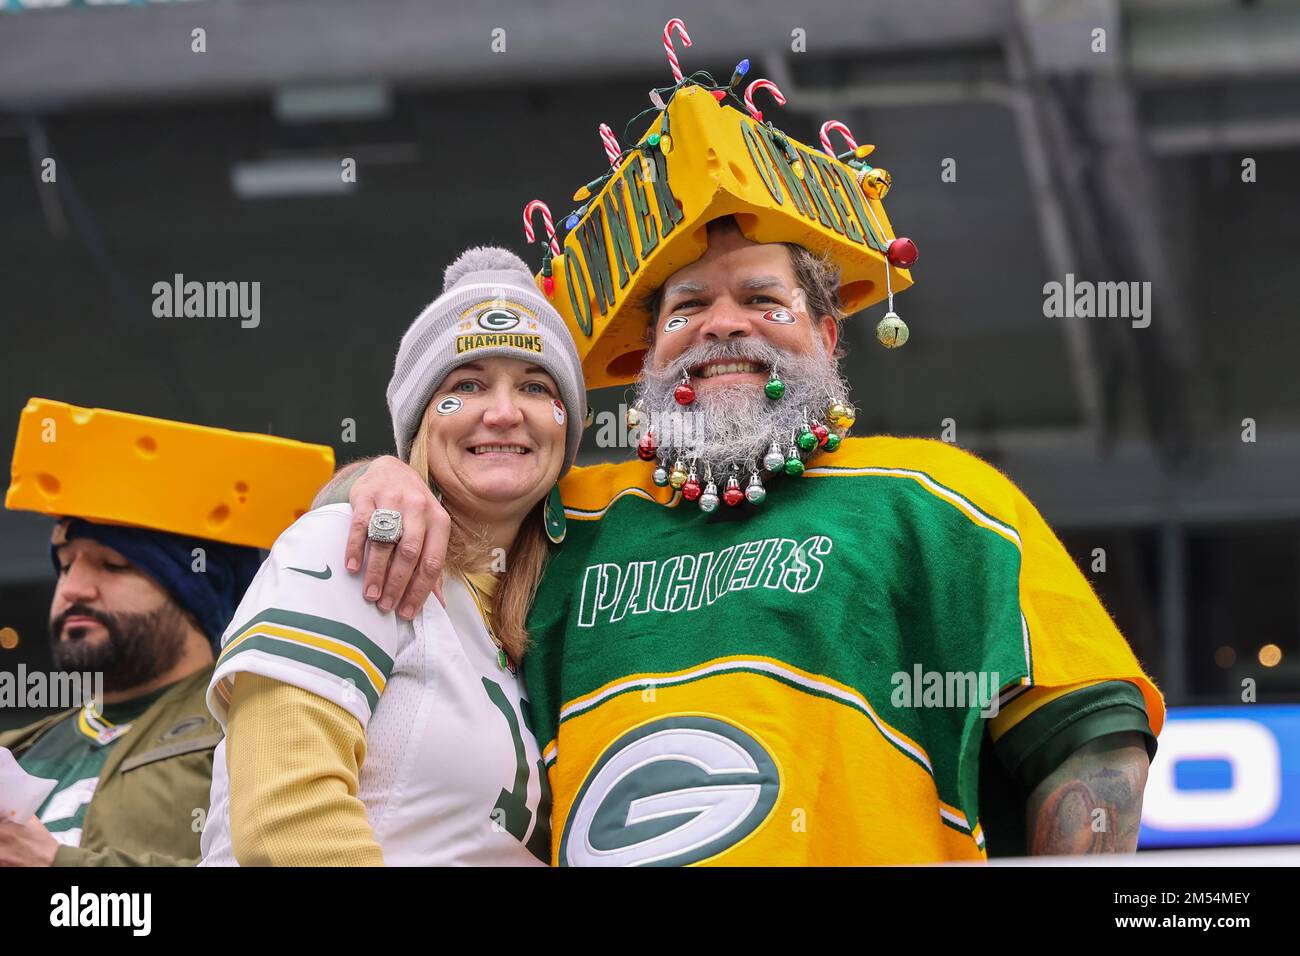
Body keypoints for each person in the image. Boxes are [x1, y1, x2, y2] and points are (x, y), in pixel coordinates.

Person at [314, 37, 1162, 865]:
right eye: (685, 310)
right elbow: (354, 541)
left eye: (764, 298)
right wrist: (379, 476)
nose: (724, 325)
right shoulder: (563, 516)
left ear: (828, 336)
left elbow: (1091, 746)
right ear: (648, 358)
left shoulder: (934, 496)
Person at [200, 247, 585, 866]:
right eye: (467, 384)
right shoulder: (352, 544)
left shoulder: (540, 617)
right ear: (419, 420)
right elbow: (286, 826)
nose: (505, 412)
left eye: (536, 387)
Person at [0, 518, 260, 867]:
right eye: (64, 566)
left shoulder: (254, 723)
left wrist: (55, 864)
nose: (72, 589)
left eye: (113, 565)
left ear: (193, 595)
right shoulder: (15, 750)